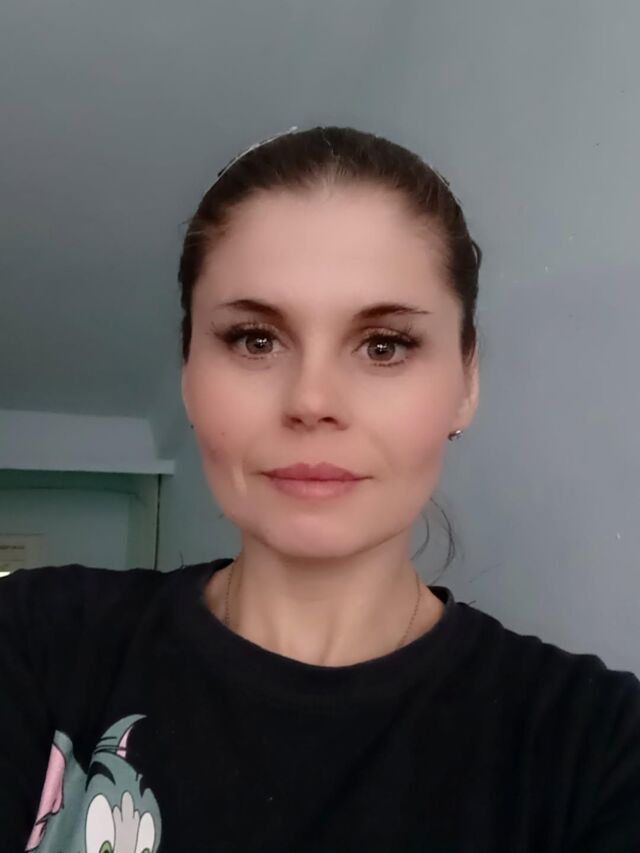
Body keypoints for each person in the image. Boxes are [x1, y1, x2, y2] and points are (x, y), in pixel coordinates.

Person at [1, 125, 639, 852]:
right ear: (188, 373)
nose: (312, 400)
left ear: (466, 383)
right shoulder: (32, 641)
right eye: (255, 339)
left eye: (384, 345)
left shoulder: (598, 748)